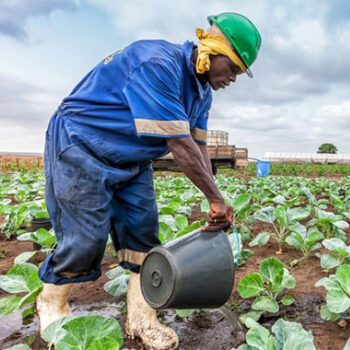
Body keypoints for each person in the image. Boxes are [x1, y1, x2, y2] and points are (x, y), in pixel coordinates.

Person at [36, 12, 261, 350]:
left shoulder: (202, 93)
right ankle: (52, 305)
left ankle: (142, 318)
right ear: (214, 51)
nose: (233, 78)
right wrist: (215, 200)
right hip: (80, 145)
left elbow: (198, 147)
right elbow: (180, 146)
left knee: (143, 233)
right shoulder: (157, 63)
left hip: (132, 157)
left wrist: (215, 196)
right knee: (85, 239)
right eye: (233, 68)